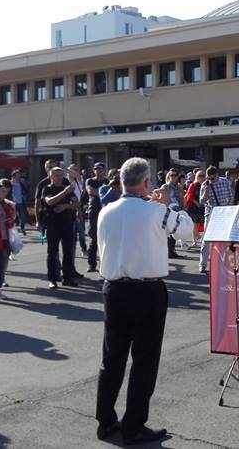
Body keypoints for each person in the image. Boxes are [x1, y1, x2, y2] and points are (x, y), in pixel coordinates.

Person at [95, 158, 194, 445]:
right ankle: (134, 425)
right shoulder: (156, 211)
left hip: (113, 288)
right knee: (144, 362)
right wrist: (168, 204)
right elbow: (186, 230)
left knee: (112, 359)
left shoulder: (107, 210)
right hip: (147, 290)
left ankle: (106, 421)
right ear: (147, 183)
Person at [41, 167, 79, 289]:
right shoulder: (47, 189)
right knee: (52, 252)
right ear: (50, 176)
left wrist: (65, 206)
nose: (59, 178)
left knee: (68, 251)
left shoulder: (66, 188)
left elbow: (77, 203)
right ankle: (52, 279)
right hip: (53, 224)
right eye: (56, 175)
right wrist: (64, 193)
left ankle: (67, 278)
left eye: (61, 175)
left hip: (67, 223)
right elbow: (50, 202)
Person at [199, 166, 233, 274]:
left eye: (212, 179)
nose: (210, 181)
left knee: (224, 239)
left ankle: (225, 263)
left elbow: (231, 196)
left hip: (224, 212)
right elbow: (201, 201)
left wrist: (228, 208)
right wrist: (205, 192)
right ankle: (202, 264)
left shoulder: (225, 182)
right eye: (209, 178)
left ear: (217, 175)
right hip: (211, 212)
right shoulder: (206, 184)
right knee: (206, 239)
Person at [34, 159, 69, 234]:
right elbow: (37, 203)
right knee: (52, 245)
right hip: (50, 218)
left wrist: (77, 211)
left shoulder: (65, 181)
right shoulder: (42, 184)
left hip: (67, 218)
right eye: (50, 167)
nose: (52, 169)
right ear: (45, 168)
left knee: (69, 244)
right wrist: (37, 221)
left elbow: (74, 200)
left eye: (54, 167)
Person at [85, 162, 108, 273]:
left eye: (100, 169)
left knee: (107, 240)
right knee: (94, 239)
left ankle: (106, 265)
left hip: (107, 212)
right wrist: (106, 193)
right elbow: (91, 191)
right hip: (94, 211)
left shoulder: (108, 181)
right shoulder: (90, 181)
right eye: (96, 169)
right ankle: (91, 264)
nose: (98, 171)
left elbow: (116, 192)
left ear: (104, 170)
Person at [67, 165, 89, 256]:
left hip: (79, 209)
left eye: (76, 170)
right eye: (73, 170)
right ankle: (71, 251)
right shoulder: (65, 181)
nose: (75, 172)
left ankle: (83, 248)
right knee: (71, 233)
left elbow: (77, 175)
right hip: (68, 209)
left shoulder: (79, 180)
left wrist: (65, 168)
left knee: (81, 232)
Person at [162, 169, 184, 258]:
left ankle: (172, 250)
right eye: (172, 175)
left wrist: (182, 209)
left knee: (175, 230)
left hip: (177, 210)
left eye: (175, 175)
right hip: (168, 210)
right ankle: (168, 251)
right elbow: (162, 198)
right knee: (168, 231)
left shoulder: (179, 187)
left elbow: (182, 199)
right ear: (168, 176)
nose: (174, 177)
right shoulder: (165, 187)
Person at [185, 170, 206, 248]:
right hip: (194, 207)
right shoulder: (193, 185)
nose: (201, 177)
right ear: (196, 177)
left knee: (204, 224)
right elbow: (189, 196)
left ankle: (201, 238)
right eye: (199, 176)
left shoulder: (206, 185)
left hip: (203, 207)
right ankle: (194, 241)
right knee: (196, 224)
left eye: (203, 175)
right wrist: (197, 203)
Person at [10, 170, 29, 235]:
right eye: (17, 176)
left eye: (19, 176)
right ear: (13, 176)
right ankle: (11, 229)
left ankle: (22, 228)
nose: (19, 177)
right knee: (12, 216)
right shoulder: (10, 184)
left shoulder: (20, 183)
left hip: (20, 202)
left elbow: (25, 190)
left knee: (22, 216)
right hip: (13, 203)